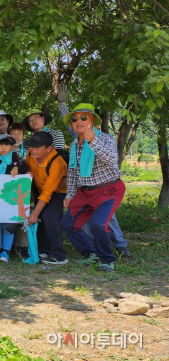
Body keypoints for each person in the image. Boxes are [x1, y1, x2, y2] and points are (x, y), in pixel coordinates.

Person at [56, 85, 130, 258]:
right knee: (68, 223)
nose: (78, 121)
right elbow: (73, 172)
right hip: (85, 192)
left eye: (83, 117)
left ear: (94, 122)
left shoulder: (105, 139)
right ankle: (91, 254)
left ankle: (111, 254)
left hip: (108, 189)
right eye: (75, 119)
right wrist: (69, 194)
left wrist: (93, 141)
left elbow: (112, 160)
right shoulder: (75, 142)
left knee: (99, 223)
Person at [22, 132, 68, 265]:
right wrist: (26, 172)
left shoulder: (56, 163)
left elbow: (48, 192)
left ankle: (59, 254)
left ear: (48, 149)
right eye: (31, 146)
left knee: (49, 216)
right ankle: (44, 250)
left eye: (37, 147)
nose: (33, 150)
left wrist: (34, 213)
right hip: (39, 189)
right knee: (41, 219)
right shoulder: (31, 154)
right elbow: (27, 167)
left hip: (59, 192)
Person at [0, 134, 28, 263]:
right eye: (0, 144)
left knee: (8, 226)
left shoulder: (17, 157)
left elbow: (25, 168)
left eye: (7, 145)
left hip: (11, 199)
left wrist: (19, 168)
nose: (3, 147)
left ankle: (6, 252)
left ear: (12, 147)